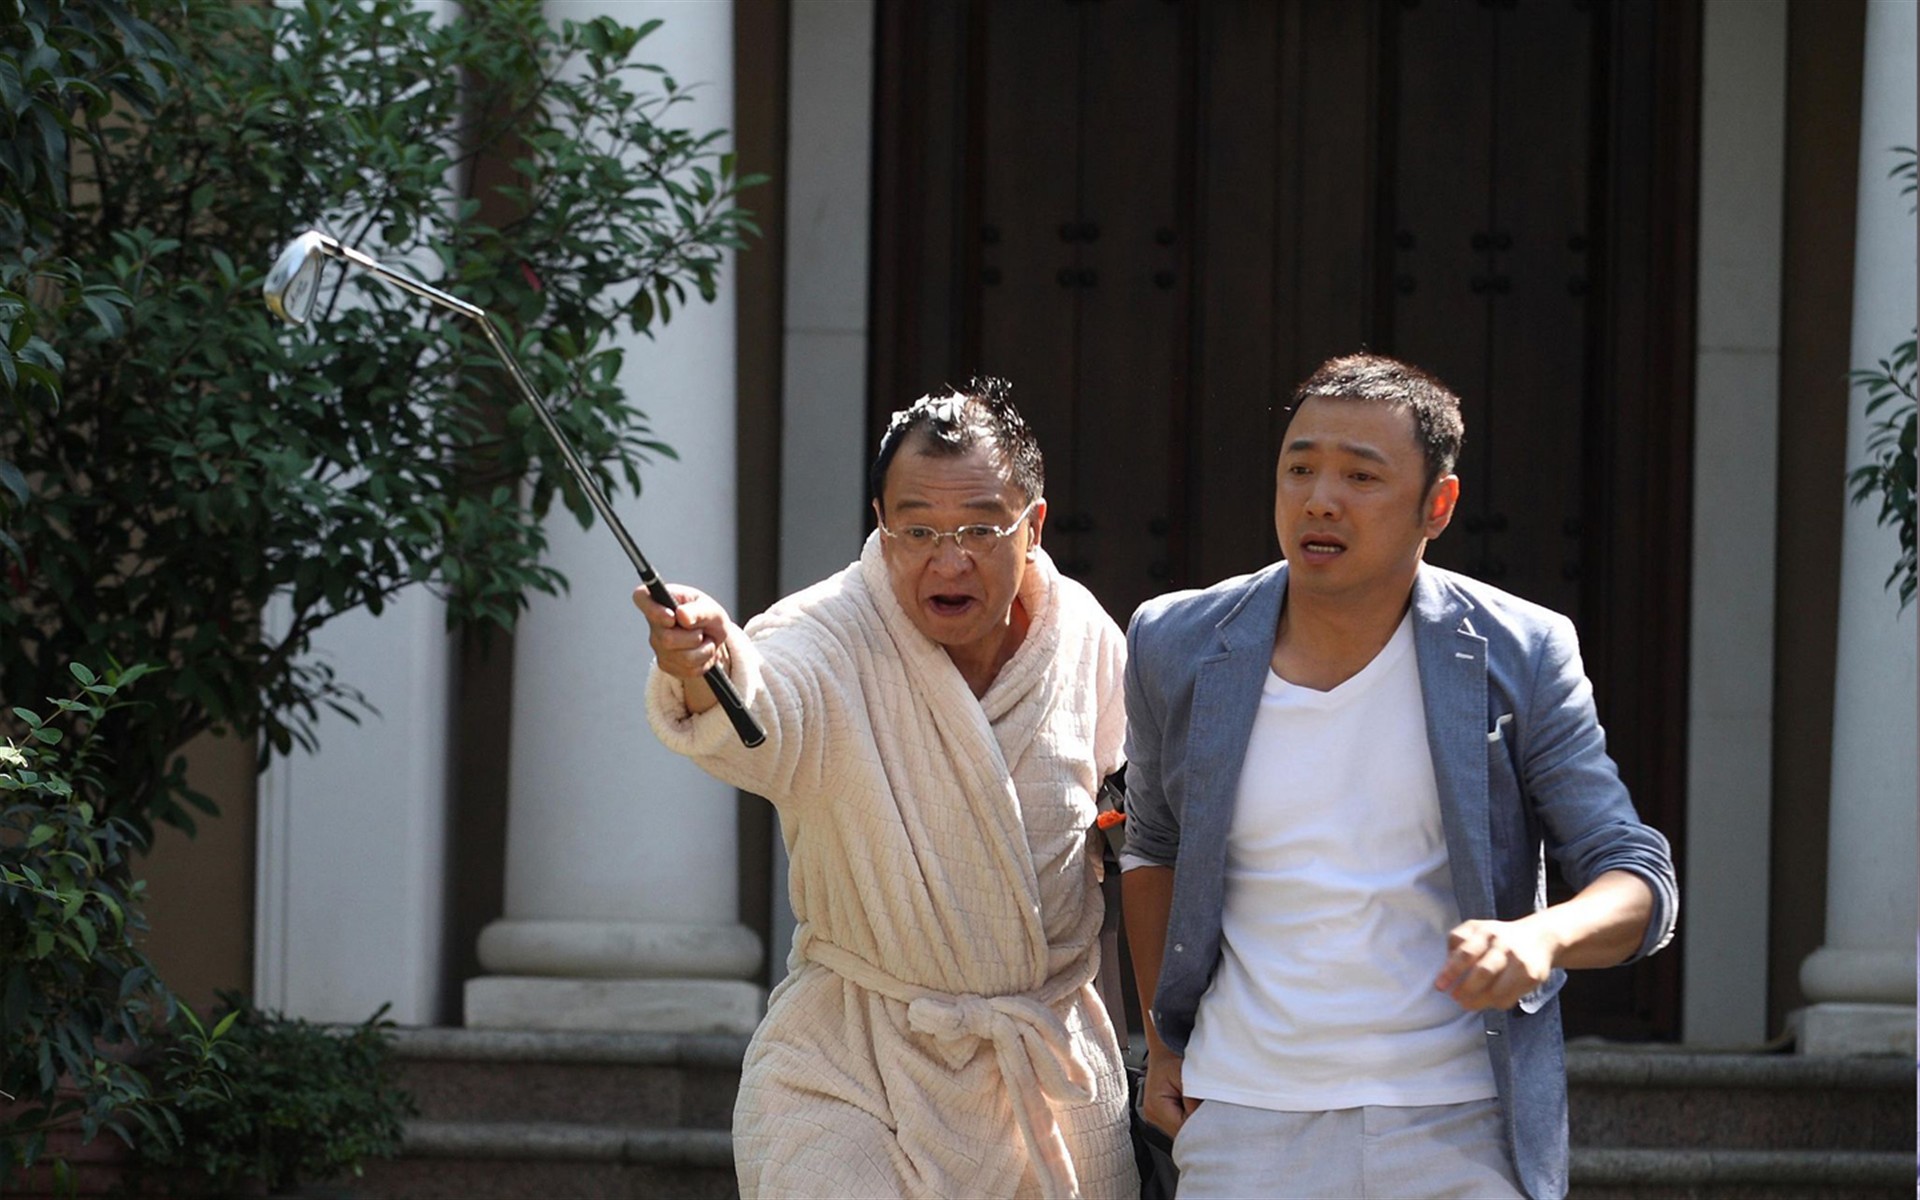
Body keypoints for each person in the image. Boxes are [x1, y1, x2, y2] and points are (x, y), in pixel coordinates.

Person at [1119, 352, 1678, 1200]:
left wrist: (1540, 938)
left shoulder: (1520, 652)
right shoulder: (1178, 641)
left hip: (1461, 1121)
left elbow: (1636, 874)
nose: (1320, 499)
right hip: (1245, 1114)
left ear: (1437, 506)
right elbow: (1152, 845)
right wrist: (1163, 1045)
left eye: (1361, 475)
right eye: (1299, 468)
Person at [638, 378, 1136, 1200]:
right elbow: (762, 710)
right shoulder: (825, 632)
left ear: (1034, 526)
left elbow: (1130, 828)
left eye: (980, 528)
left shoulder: (1082, 636)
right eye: (918, 530)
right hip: (849, 1067)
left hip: (1041, 1073)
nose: (949, 559)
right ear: (881, 524)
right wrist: (706, 666)